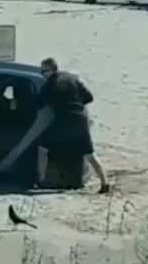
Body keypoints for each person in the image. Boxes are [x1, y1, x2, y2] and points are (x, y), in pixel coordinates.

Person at [34, 57, 109, 193]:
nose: (42, 74)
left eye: (43, 71)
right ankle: (105, 182)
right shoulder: (72, 79)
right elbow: (89, 97)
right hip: (80, 120)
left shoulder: (50, 84)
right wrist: (77, 105)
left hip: (63, 121)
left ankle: (41, 179)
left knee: (42, 148)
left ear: (49, 70)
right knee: (89, 154)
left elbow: (38, 104)